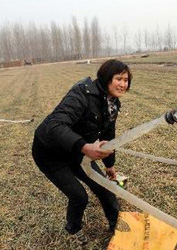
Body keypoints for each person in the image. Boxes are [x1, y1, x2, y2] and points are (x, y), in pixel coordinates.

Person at [32, 59, 132, 245]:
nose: (123, 84)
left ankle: (116, 226)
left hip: (75, 148)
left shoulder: (112, 103)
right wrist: (85, 147)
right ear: (106, 78)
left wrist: (109, 166)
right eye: (119, 78)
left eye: (126, 80)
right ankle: (73, 229)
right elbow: (55, 125)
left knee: (104, 185)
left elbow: (109, 135)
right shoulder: (81, 93)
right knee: (79, 195)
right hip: (50, 153)